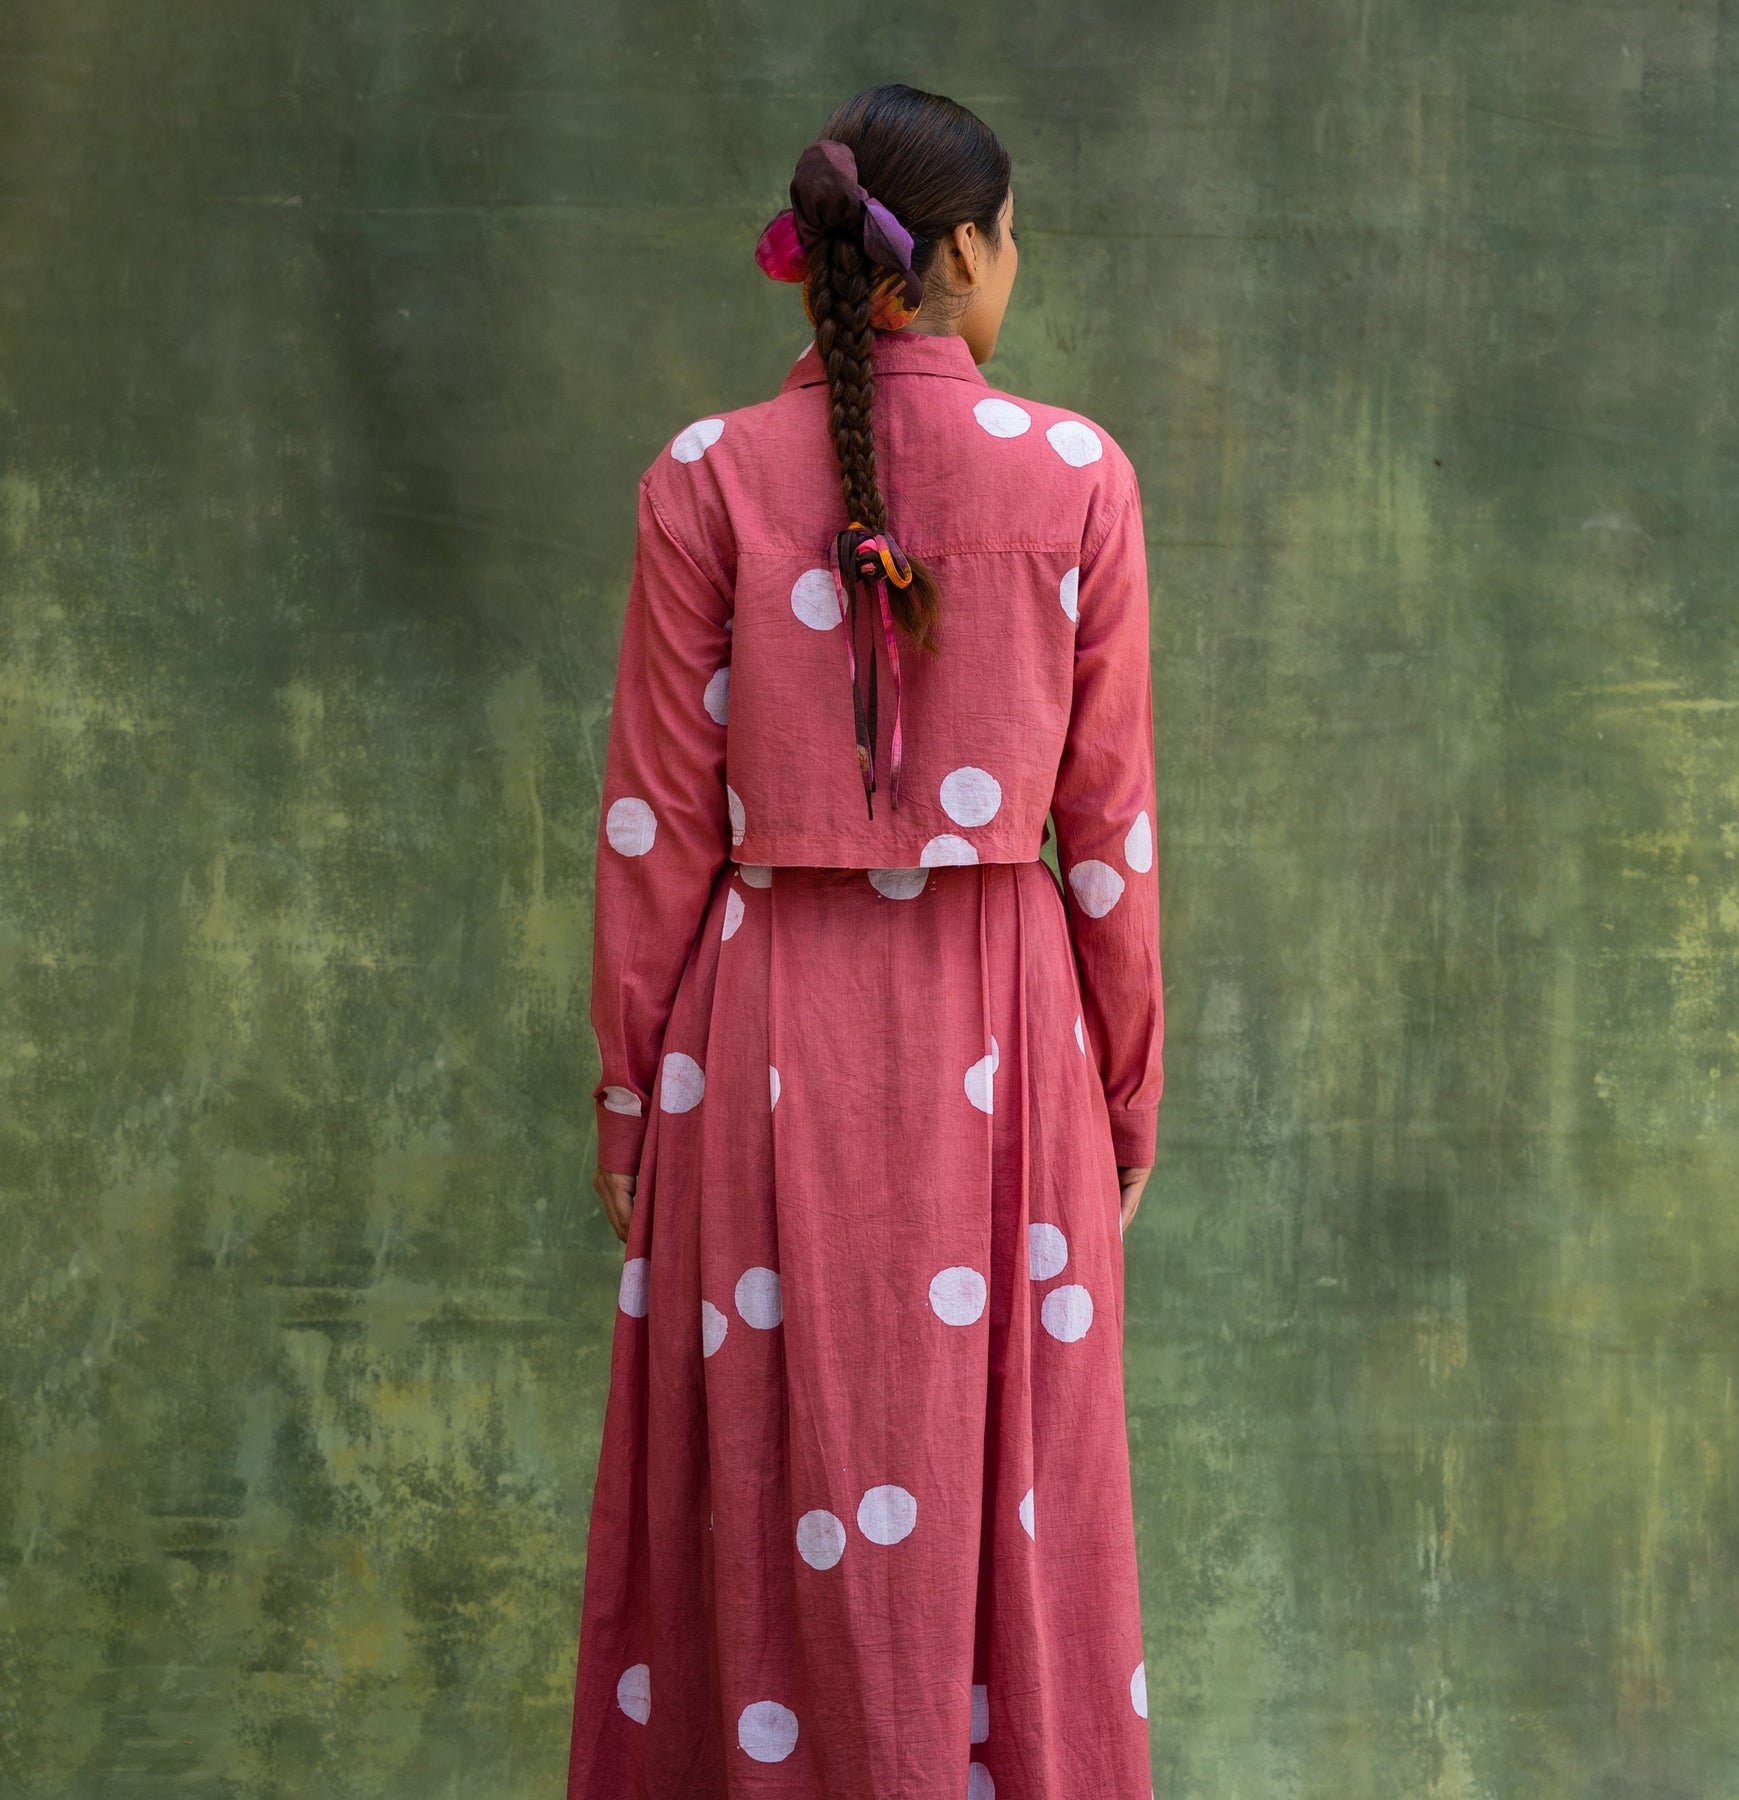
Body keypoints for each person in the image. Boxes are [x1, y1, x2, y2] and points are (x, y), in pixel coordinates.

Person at [567, 82, 1164, 1799]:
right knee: (1011, 1500)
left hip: (757, 1046)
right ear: (961, 252)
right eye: (1012, 237)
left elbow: (656, 831)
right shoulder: (1078, 475)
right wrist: (1124, 1099)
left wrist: (632, 1103)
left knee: (761, 1487)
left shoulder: (703, 478)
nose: (1016, 263)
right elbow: (1109, 837)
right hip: (1013, 1041)